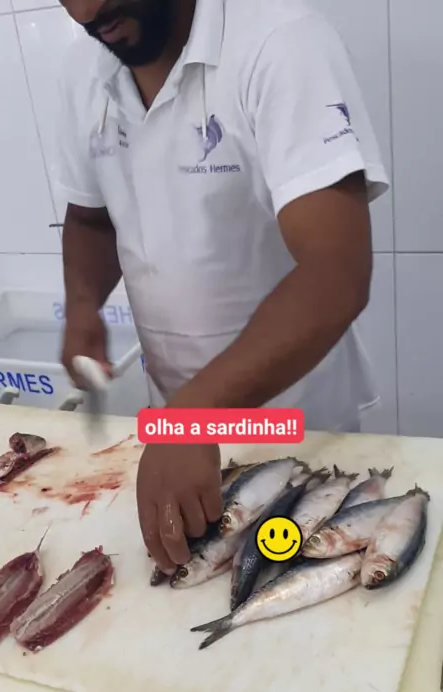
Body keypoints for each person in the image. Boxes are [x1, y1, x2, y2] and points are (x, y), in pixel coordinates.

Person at [56, 0, 389, 575]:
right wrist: (83, 308)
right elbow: (91, 218)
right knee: (185, 601)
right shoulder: (87, 68)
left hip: (293, 425)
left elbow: (335, 272)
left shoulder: (282, 42)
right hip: (179, 428)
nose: (85, 10)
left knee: (294, 592)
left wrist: (194, 416)